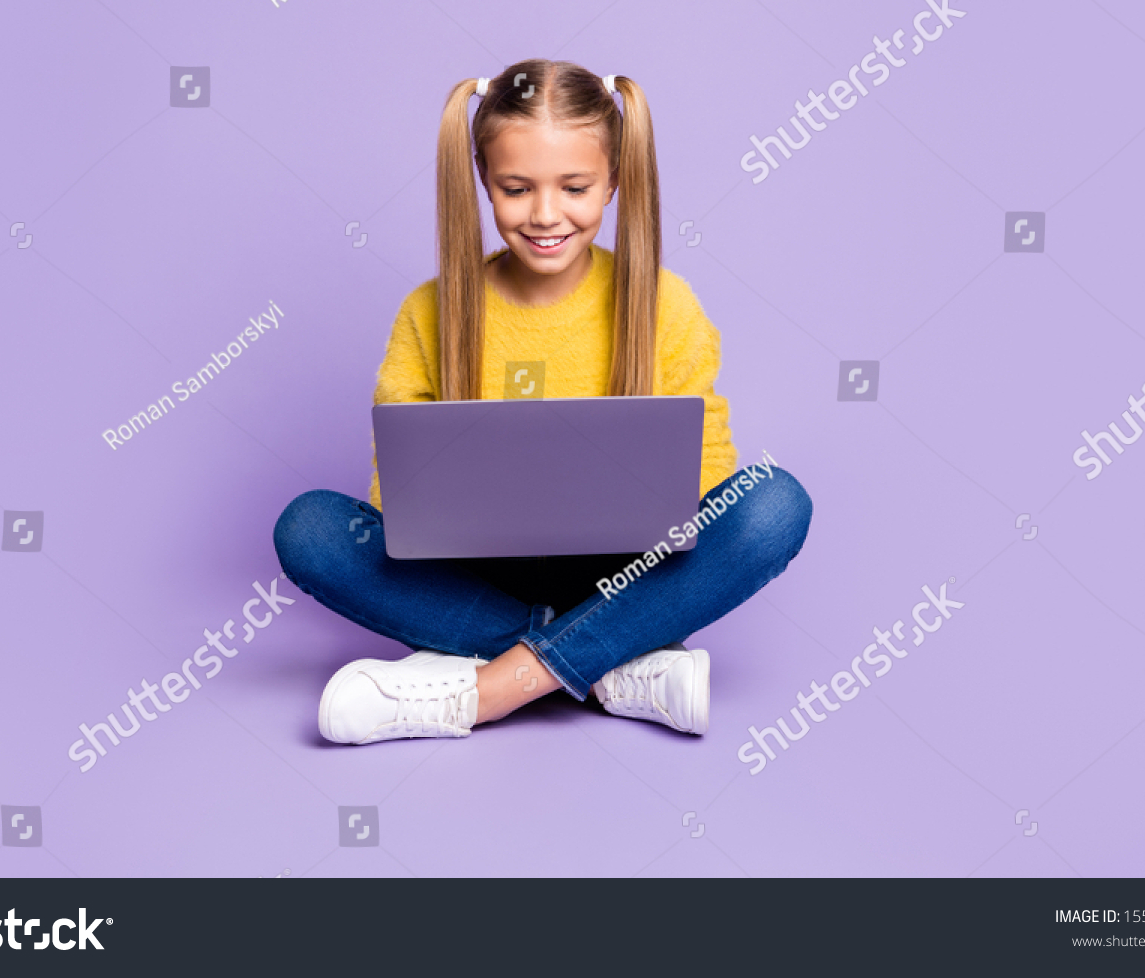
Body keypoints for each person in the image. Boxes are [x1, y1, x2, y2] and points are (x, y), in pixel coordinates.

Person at [273, 60, 813, 746]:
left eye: (576, 187)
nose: (546, 213)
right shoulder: (429, 310)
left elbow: (705, 478)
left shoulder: (666, 305)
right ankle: (610, 664)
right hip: (475, 572)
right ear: (482, 180)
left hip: (628, 572)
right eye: (516, 188)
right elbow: (396, 496)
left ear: (614, 180)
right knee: (311, 529)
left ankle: (489, 689)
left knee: (774, 505)